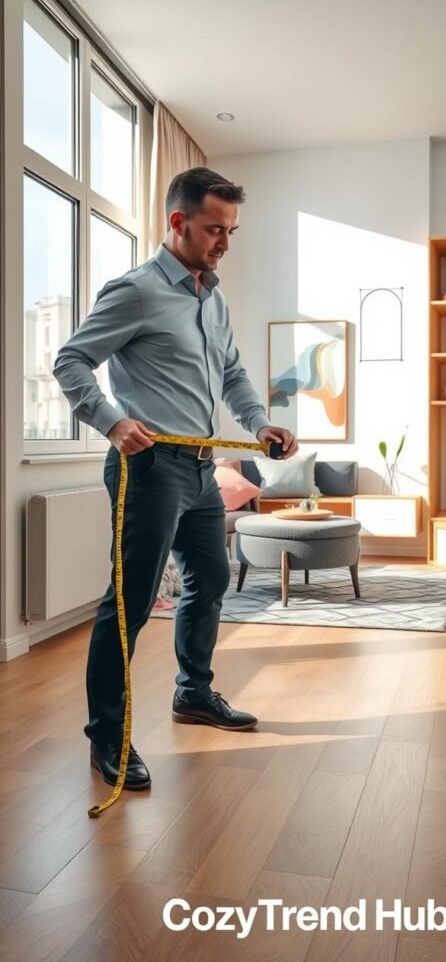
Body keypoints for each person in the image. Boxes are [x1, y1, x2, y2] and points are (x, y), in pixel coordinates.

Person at [53, 167, 297, 791]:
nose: (224, 242)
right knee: (130, 602)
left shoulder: (211, 298)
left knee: (211, 577)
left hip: (199, 469)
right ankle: (107, 733)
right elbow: (72, 360)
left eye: (232, 231)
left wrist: (260, 422)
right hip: (149, 467)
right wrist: (110, 422)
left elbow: (235, 374)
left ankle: (193, 694)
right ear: (178, 222)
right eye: (215, 229)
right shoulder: (135, 290)